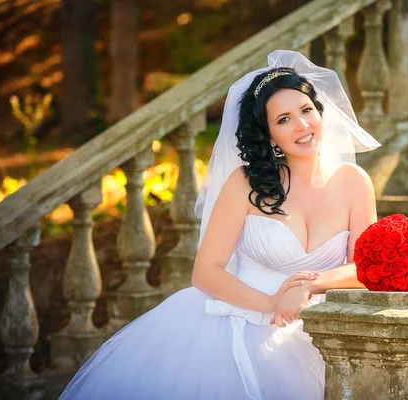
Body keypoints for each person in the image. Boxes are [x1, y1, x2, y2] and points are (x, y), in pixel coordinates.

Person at [60, 50, 380, 400]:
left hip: (317, 331)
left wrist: (309, 285)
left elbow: (364, 267)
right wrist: (273, 302)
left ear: (320, 113)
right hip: (235, 323)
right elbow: (206, 272)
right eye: (284, 119)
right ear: (270, 136)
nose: (302, 126)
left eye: (306, 110)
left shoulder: (354, 181)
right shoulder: (245, 183)